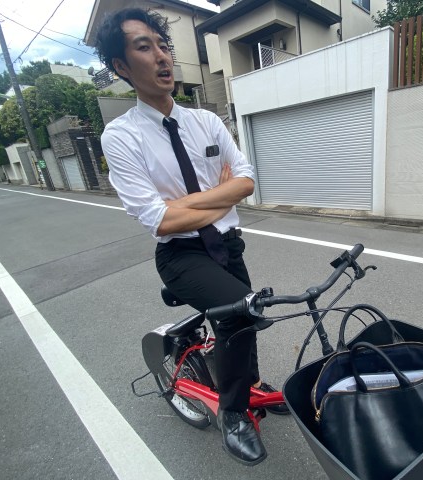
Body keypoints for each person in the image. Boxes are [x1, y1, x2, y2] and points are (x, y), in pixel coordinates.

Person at [95, 8, 286, 466]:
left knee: (248, 311)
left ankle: (250, 383)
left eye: (164, 45)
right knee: (239, 312)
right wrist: (220, 198)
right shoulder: (120, 136)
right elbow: (158, 220)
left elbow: (246, 181)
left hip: (228, 246)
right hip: (181, 255)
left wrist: (192, 204)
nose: (162, 56)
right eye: (144, 47)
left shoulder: (207, 122)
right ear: (121, 66)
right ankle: (234, 415)